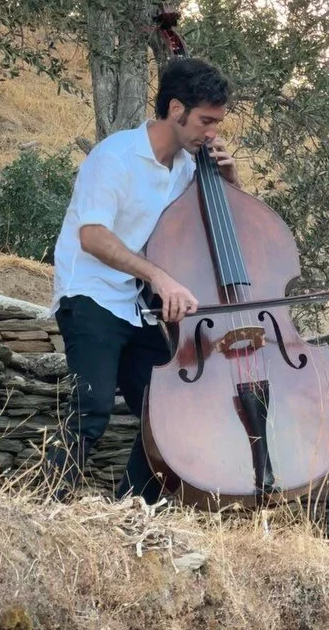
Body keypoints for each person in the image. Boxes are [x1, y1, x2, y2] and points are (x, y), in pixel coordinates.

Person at [46, 57, 239, 503]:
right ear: (176, 109)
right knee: (90, 409)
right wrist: (159, 276)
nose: (212, 134)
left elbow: (224, 232)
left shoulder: (190, 170)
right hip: (89, 294)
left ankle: (128, 512)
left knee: (171, 412)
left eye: (217, 123)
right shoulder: (114, 156)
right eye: (205, 121)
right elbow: (92, 235)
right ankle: (43, 509)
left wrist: (230, 180)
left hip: (134, 306)